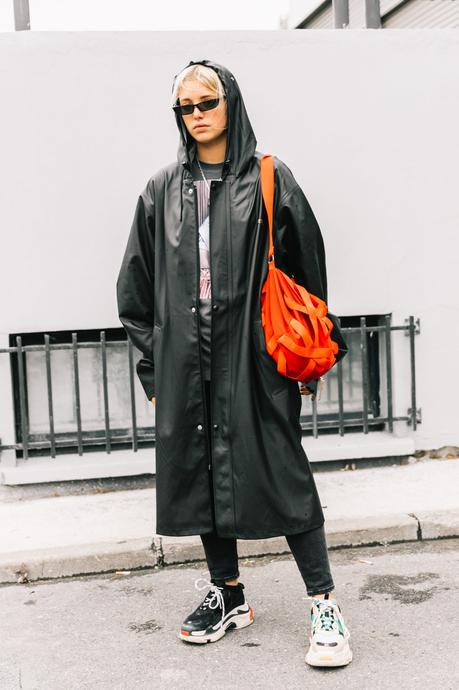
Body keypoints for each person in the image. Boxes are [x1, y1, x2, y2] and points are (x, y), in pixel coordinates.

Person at [116, 58, 352, 668]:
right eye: (186, 107)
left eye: (207, 102)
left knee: (287, 477)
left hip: (256, 364)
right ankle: (228, 595)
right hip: (186, 367)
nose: (196, 115)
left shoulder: (270, 179)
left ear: (232, 104)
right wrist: (155, 372)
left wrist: (302, 363)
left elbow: (307, 274)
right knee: (201, 482)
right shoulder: (161, 191)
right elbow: (135, 294)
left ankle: (323, 603)